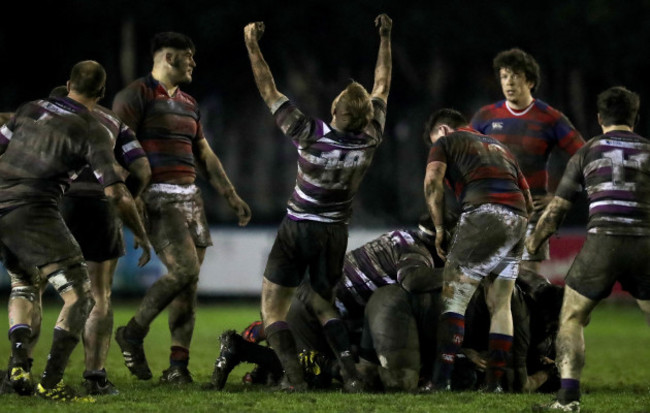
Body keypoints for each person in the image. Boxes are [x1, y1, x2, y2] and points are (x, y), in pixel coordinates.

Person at [243, 14, 392, 391]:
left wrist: (252, 45)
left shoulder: (309, 134)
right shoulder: (370, 139)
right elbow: (383, 84)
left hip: (299, 227)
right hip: (335, 233)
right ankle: (352, 374)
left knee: (272, 308)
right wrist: (385, 38)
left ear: (335, 110)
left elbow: (268, 90)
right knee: (324, 304)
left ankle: (294, 379)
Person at [0, 60, 151, 401]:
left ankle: (19, 366)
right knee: (87, 295)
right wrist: (138, 226)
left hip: (5, 204)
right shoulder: (101, 125)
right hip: (46, 207)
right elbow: (126, 181)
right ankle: (65, 379)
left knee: (25, 284)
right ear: (101, 92)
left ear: (68, 85)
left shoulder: (30, 108)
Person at [112, 31, 251, 384]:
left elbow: (204, 154)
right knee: (185, 270)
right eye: (189, 57)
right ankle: (133, 331)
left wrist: (231, 195)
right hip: (157, 196)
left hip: (192, 198)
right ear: (170, 57)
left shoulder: (189, 102)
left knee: (188, 287)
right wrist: (133, 196)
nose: (194, 63)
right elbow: (115, 150)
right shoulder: (135, 95)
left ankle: (177, 366)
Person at [210, 215, 442, 392]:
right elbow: (412, 280)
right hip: (322, 312)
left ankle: (261, 357)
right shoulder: (414, 253)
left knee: (319, 362)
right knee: (316, 372)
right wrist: (458, 272)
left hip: (325, 308)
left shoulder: (401, 236)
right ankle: (242, 348)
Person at [526, 86, 650, 412]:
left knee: (571, 317)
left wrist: (534, 242)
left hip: (603, 241)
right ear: (635, 118)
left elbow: (557, 210)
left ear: (599, 118)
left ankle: (568, 398)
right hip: (646, 242)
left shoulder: (588, 151)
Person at [48, 85, 152, 395]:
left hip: (51, 204)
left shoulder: (40, 116)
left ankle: (19, 372)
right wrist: (129, 201)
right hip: (99, 204)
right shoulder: (113, 122)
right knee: (99, 294)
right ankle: (94, 376)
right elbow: (143, 169)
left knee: (30, 287)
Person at [424, 108, 533, 391]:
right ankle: (494, 384)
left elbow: (432, 183)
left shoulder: (445, 141)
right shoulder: (501, 148)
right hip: (518, 218)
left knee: (454, 297)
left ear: (444, 129)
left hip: (484, 211)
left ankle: (441, 382)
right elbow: (529, 201)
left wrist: (438, 228)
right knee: (501, 303)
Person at [470, 48, 585, 276]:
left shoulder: (550, 118)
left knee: (526, 280)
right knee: (487, 284)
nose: (509, 83)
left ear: (530, 81)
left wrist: (560, 196)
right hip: (492, 211)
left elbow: (583, 156)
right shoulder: (485, 117)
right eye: (504, 77)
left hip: (531, 213)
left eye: (516, 76)